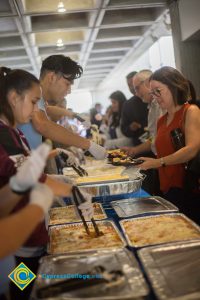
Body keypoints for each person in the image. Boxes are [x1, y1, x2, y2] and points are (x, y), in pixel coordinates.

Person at [0, 67, 93, 300]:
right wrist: (72, 190)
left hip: (29, 235)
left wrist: (57, 179)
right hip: (21, 240)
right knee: (22, 289)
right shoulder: (4, 135)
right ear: (13, 98)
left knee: (28, 286)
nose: (35, 111)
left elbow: (27, 170)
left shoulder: (14, 133)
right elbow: (27, 177)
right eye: (33, 102)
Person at [137, 66, 200, 220]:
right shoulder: (161, 120)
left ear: (173, 87)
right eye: (153, 93)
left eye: (158, 91)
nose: (156, 97)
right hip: (167, 188)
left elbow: (191, 149)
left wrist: (157, 162)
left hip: (188, 187)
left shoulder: (190, 111)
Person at [18, 55, 106, 160]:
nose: (69, 91)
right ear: (52, 77)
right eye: (67, 84)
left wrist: (73, 115)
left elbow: (47, 110)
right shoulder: (31, 93)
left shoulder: (39, 100)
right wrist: (88, 145)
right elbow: (43, 125)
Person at [122, 70, 164, 156]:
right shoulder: (152, 106)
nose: (136, 94)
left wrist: (161, 162)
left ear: (148, 83)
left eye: (137, 88)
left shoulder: (163, 104)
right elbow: (153, 138)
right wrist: (134, 150)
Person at [121, 71, 148, 146]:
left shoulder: (153, 99)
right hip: (138, 146)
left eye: (134, 85)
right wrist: (131, 128)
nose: (132, 88)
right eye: (129, 85)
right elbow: (124, 129)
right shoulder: (127, 105)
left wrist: (141, 126)